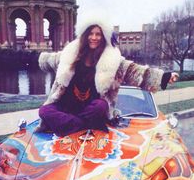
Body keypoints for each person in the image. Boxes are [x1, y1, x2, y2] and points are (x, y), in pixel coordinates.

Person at [37, 19, 178, 136]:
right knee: (44, 110)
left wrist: (164, 77)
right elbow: (50, 60)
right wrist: (40, 58)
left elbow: (135, 72)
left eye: (98, 34)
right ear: (85, 35)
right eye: (90, 34)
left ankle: (72, 126)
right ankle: (81, 126)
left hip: (91, 110)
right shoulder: (69, 55)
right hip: (68, 108)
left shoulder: (112, 60)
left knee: (101, 105)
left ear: (103, 36)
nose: (94, 37)